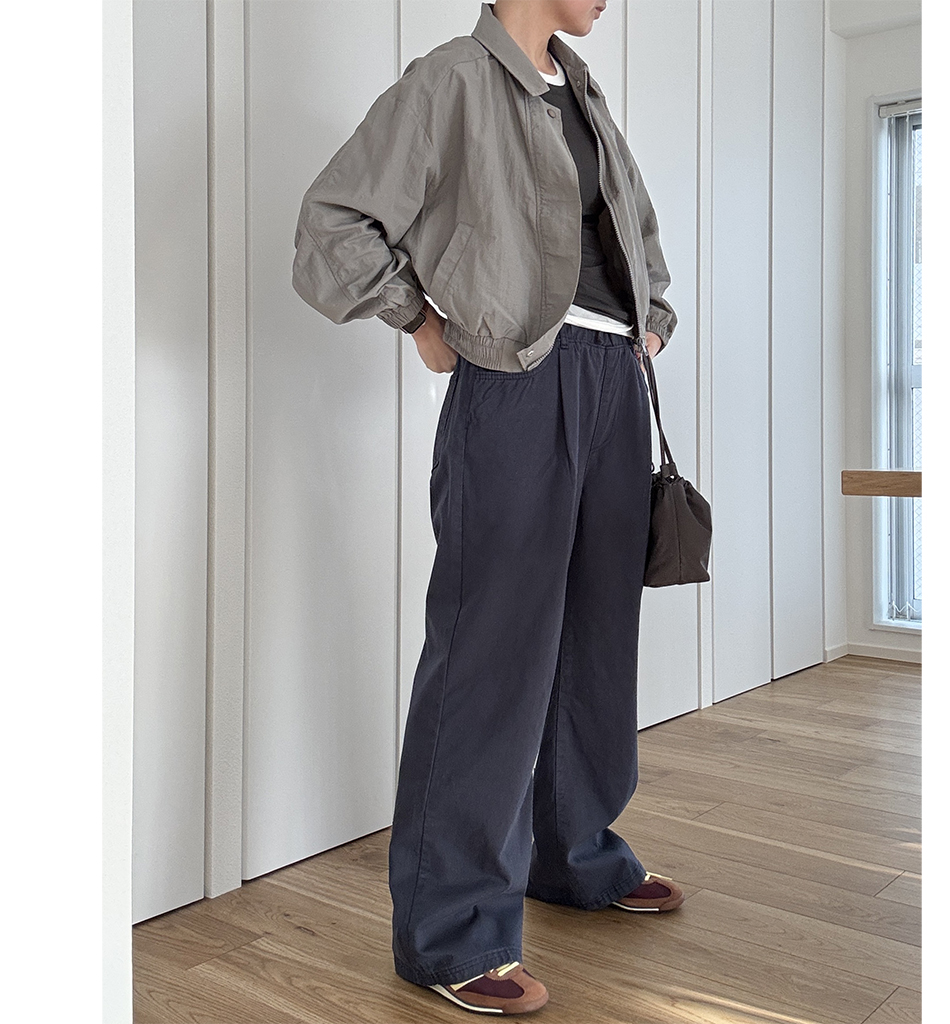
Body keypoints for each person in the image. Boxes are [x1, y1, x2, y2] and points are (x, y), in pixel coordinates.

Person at [292, 1, 683, 1015]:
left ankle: (576, 855)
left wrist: (649, 321)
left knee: (595, 639)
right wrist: (418, 317)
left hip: (611, 381)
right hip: (516, 383)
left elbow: (635, 230)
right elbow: (332, 222)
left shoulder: (583, 95)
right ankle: (453, 931)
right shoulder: (454, 81)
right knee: (491, 651)